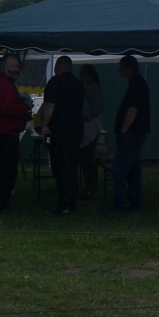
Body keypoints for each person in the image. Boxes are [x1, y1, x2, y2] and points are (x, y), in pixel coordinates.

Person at [0, 54, 32, 213]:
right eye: (12, 66)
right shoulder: (3, 83)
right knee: (7, 170)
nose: (15, 69)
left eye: (17, 66)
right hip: (3, 133)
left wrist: (23, 114)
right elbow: (8, 108)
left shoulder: (0, 82)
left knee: (4, 169)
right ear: (3, 66)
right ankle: (0, 204)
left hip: (1, 131)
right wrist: (26, 107)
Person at [40, 55, 86, 214]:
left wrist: (44, 125)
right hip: (77, 129)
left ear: (59, 65)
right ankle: (72, 201)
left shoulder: (55, 82)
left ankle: (63, 204)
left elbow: (49, 104)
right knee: (72, 166)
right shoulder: (78, 84)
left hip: (60, 129)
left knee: (60, 167)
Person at [112, 55, 150, 211]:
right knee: (134, 170)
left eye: (121, 67)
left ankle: (119, 203)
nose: (119, 70)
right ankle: (134, 202)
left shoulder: (136, 84)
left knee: (119, 169)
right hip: (137, 133)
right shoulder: (138, 82)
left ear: (128, 68)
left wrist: (123, 130)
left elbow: (132, 109)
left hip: (131, 134)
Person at [78, 64, 105, 199]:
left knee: (88, 160)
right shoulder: (87, 88)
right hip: (87, 127)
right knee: (85, 160)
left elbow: (99, 108)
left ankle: (91, 188)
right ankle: (89, 187)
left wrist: (86, 114)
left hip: (92, 128)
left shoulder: (94, 89)